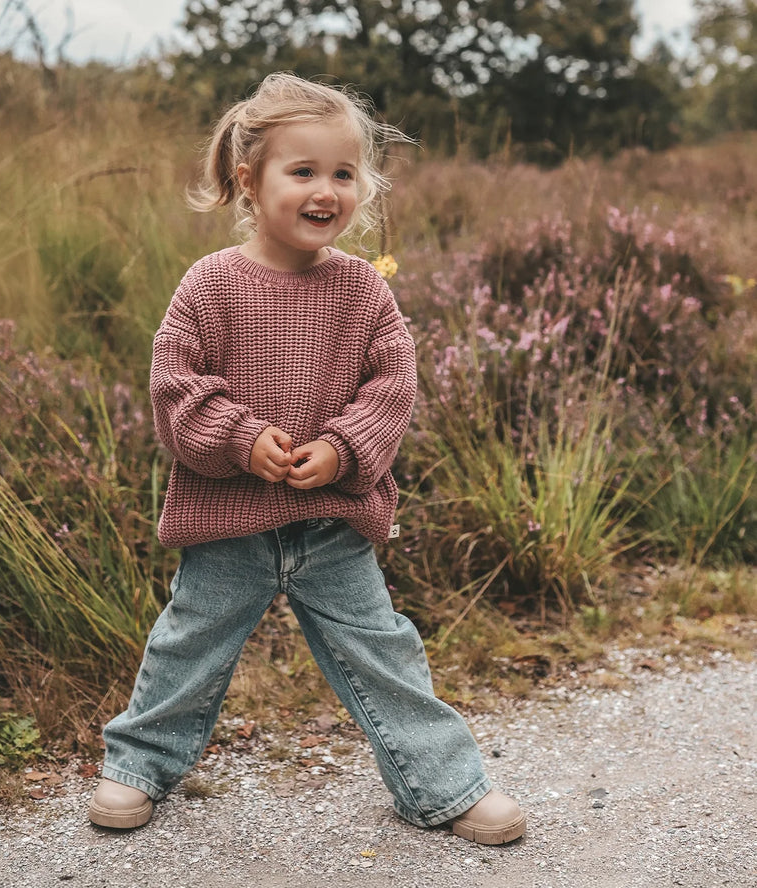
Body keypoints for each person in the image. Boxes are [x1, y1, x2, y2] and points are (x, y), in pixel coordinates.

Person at [89, 72, 526, 846]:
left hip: (331, 524)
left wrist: (344, 448)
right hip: (229, 522)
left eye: (344, 174)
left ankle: (445, 783)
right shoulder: (211, 285)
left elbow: (394, 383)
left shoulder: (362, 292)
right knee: (188, 645)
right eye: (304, 172)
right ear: (247, 182)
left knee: (382, 651)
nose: (326, 190)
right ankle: (139, 762)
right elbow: (175, 385)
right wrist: (238, 439)